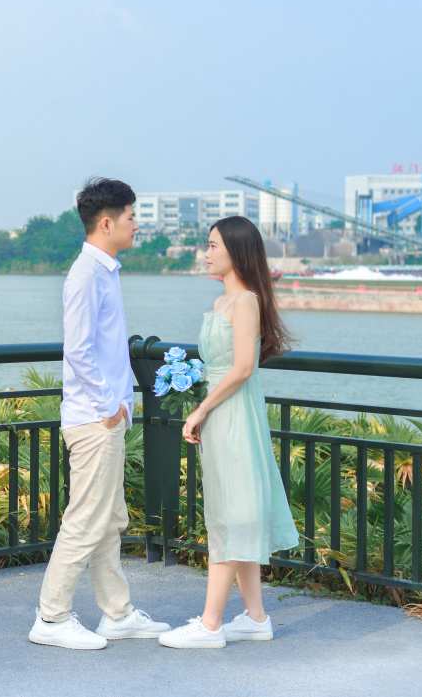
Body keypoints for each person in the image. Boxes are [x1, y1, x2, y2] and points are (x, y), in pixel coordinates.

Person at [28, 176, 171, 650]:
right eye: (131, 216)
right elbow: (79, 350)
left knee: (109, 520)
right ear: (106, 222)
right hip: (94, 418)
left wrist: (118, 406)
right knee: (86, 519)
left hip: (104, 416)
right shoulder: (87, 274)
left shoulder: (104, 270)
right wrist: (111, 404)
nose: (136, 225)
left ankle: (117, 613)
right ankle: (51, 618)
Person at [158, 215, 300, 650]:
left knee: (234, 514)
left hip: (234, 412)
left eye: (213, 245)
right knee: (231, 510)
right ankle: (256, 618)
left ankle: (210, 624)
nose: (206, 252)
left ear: (236, 251)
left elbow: (242, 369)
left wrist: (199, 408)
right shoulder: (223, 301)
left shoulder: (245, 301)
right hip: (222, 413)